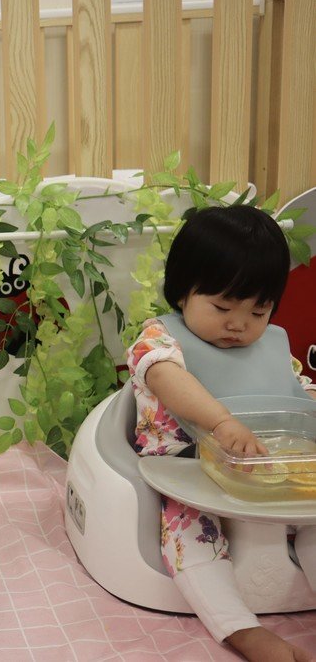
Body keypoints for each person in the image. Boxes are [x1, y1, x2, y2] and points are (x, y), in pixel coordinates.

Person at [127, 204, 315, 662]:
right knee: (189, 537)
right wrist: (221, 421)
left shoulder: (273, 345)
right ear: (183, 293)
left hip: (275, 476)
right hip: (192, 477)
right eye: (222, 307)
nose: (238, 324)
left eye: (258, 311)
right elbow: (164, 375)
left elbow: (297, 392)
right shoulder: (160, 341)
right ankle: (241, 629)